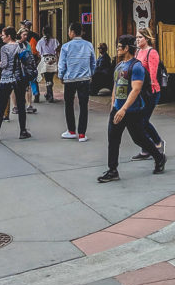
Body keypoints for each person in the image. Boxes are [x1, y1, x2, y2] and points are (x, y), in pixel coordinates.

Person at [97, 34, 165, 183]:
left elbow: (136, 89)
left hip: (132, 111)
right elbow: (116, 84)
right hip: (117, 109)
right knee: (113, 139)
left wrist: (123, 109)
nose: (117, 49)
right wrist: (114, 104)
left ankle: (159, 157)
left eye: (119, 47)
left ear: (127, 48)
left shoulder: (137, 66)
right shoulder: (119, 65)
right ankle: (112, 170)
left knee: (139, 138)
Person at [0, 27, 32, 142]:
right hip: (19, 79)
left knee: (2, 105)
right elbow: (26, 61)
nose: (2, 37)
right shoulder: (21, 46)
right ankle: (23, 131)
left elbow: (4, 64)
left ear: (9, 36)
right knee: (21, 105)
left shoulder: (4, 48)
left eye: (3, 35)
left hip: (6, 79)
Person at [58, 22, 95, 142]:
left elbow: (62, 64)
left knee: (69, 105)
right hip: (84, 79)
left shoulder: (66, 46)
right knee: (84, 106)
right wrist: (91, 74)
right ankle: (82, 134)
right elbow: (93, 62)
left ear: (72, 32)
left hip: (70, 79)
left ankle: (71, 131)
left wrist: (61, 76)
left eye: (69, 31)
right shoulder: (89, 45)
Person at [132, 27, 165, 160]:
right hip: (140, 90)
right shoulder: (137, 52)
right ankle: (146, 148)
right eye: (137, 37)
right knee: (140, 121)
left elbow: (152, 73)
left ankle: (157, 142)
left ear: (147, 38)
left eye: (140, 37)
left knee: (143, 120)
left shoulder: (152, 52)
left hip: (151, 91)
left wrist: (150, 88)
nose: (138, 39)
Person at [36, 27, 60, 103]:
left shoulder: (40, 42)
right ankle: (49, 93)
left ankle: (50, 94)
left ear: (43, 32)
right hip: (53, 60)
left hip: (45, 61)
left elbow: (39, 53)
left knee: (47, 79)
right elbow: (57, 52)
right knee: (51, 78)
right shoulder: (55, 40)